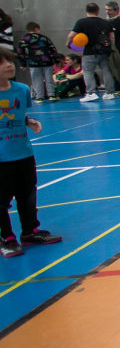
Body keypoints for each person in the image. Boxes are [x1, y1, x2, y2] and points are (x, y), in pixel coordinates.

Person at [0, 48, 62, 258]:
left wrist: (28, 122)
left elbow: (15, 114)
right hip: (1, 157)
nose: (9, 65)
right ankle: (6, 237)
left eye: (10, 61)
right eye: (2, 63)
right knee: (1, 201)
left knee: (27, 195)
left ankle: (29, 231)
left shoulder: (21, 89)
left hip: (23, 152)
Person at [67, 3, 116, 103]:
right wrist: (108, 47)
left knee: (88, 72)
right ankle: (110, 93)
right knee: (106, 71)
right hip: (104, 51)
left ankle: (91, 93)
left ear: (86, 11)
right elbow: (111, 37)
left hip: (89, 51)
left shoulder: (82, 22)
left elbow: (72, 35)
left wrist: (68, 43)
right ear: (98, 11)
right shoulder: (105, 22)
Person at [17, 23, 58, 103]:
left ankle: (39, 97)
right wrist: (56, 60)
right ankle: (51, 95)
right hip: (47, 61)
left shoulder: (24, 39)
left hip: (33, 62)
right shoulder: (43, 38)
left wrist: (23, 64)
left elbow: (20, 52)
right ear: (36, 29)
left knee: (36, 79)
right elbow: (52, 49)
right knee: (49, 78)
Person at [104, 2, 120, 96]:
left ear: (116, 10)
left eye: (110, 10)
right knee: (112, 67)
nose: (108, 12)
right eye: (106, 10)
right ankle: (117, 87)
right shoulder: (106, 21)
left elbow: (113, 32)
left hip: (119, 48)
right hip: (110, 48)